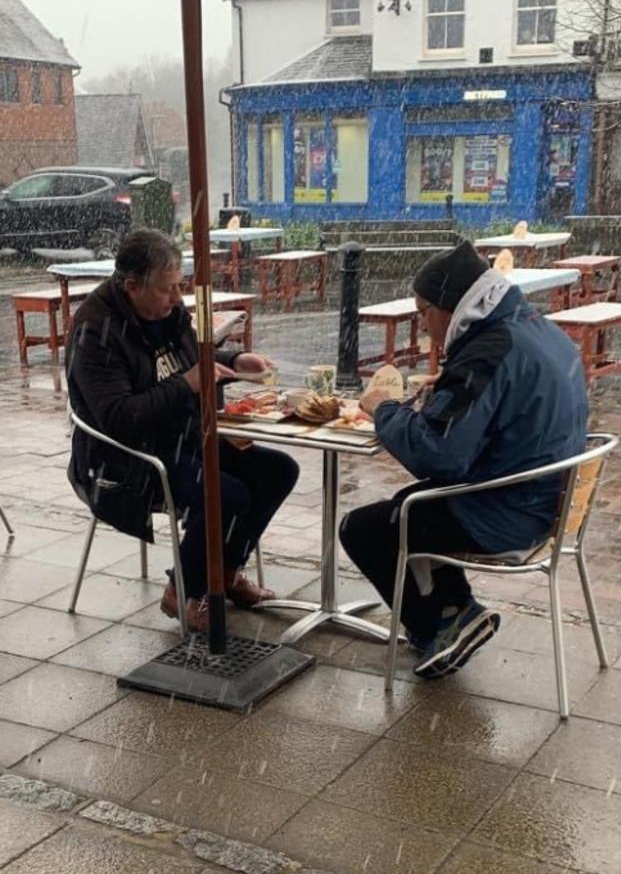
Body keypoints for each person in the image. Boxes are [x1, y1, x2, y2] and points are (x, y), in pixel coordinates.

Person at [340, 239, 588, 678]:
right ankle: (456, 611)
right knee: (412, 505)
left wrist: (383, 408)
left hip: (509, 511)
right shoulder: (534, 328)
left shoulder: (486, 352)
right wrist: (453, 385)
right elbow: (506, 400)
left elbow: (438, 454)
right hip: (546, 499)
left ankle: (444, 625)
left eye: (423, 312)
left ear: (448, 307)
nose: (422, 324)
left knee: (366, 527)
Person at [66, 228, 299, 632]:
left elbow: (192, 361)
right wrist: (189, 383)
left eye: (180, 287)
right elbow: (119, 417)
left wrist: (235, 361)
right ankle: (183, 590)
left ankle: (222, 574)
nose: (177, 299)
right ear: (132, 286)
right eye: (167, 289)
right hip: (128, 460)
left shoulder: (166, 314)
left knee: (278, 470)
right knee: (226, 495)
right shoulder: (96, 331)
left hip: (183, 438)